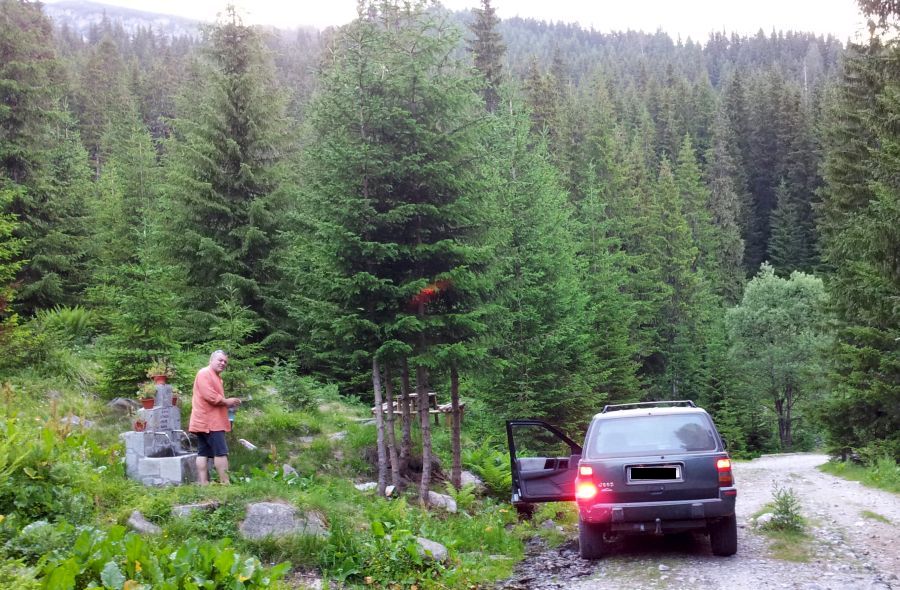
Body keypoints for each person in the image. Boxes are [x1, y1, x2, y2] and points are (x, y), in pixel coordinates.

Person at [189, 350, 241, 485]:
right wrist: (226, 402)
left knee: (203, 452)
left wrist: (229, 406)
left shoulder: (216, 377)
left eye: (225, 362)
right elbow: (210, 396)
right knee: (221, 452)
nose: (223, 363)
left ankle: (204, 484)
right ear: (211, 360)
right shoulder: (204, 373)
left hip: (203, 420)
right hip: (210, 421)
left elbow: (213, 399)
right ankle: (225, 483)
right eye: (220, 360)